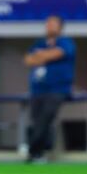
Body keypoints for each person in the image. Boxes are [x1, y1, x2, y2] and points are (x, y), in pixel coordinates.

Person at [24, 15, 76, 162]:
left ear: (60, 27)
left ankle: (35, 152)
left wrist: (41, 56)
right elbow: (28, 60)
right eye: (48, 23)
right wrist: (46, 55)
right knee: (35, 120)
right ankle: (37, 152)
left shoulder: (66, 42)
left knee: (45, 118)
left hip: (57, 90)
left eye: (53, 24)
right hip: (37, 89)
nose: (50, 26)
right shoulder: (40, 43)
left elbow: (58, 53)